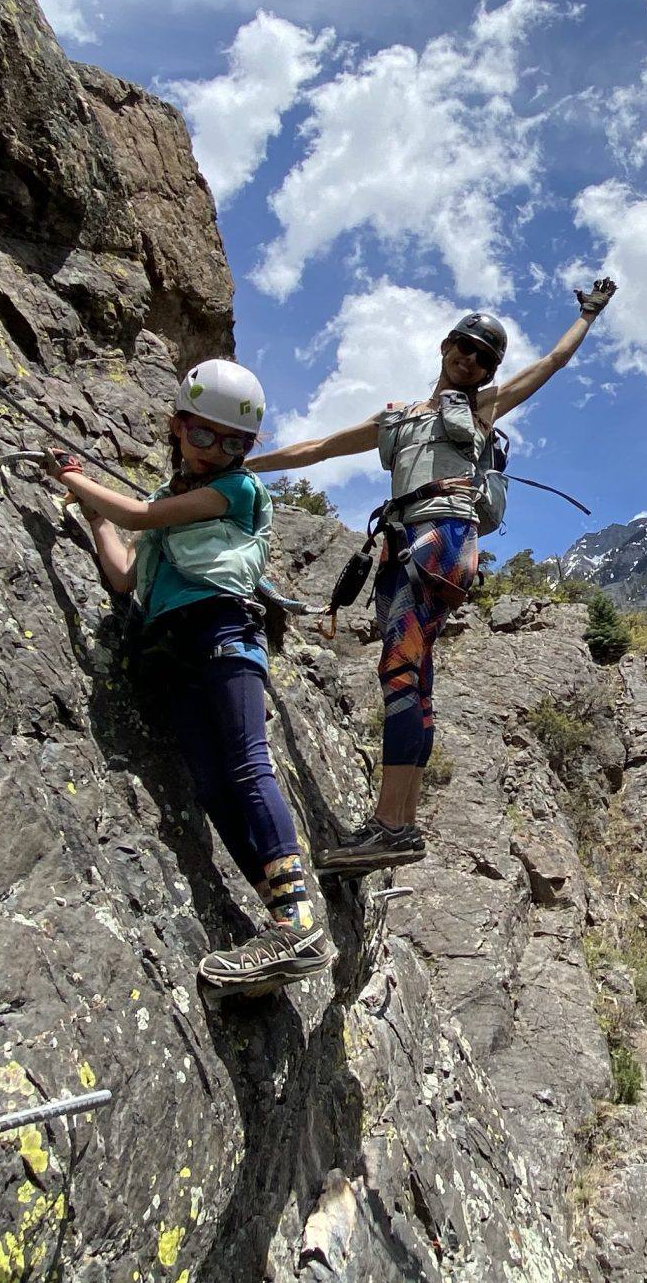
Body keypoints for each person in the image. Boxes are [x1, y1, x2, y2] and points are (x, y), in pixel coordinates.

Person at [251, 280, 617, 871]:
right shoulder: (396, 419)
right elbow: (318, 447)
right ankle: (401, 823)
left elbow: (552, 363)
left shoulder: (481, 409)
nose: (469, 359)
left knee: (400, 670)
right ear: (445, 346)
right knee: (412, 675)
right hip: (404, 546)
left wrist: (588, 316)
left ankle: (391, 826)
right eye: (464, 347)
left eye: (483, 356)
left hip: (438, 540)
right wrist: (248, 465)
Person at [44, 359, 327, 1001]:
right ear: (177, 427)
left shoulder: (240, 492)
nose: (216, 453)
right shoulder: (172, 511)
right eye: (204, 436)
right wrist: (91, 513)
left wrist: (79, 483)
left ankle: (299, 923)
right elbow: (122, 576)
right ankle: (280, 925)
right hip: (174, 649)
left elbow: (142, 516)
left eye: (234, 443)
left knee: (246, 765)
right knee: (210, 787)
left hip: (225, 632)